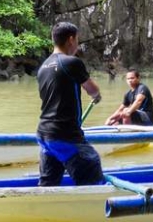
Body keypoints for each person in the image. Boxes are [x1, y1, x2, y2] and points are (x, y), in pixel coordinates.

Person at [36, 22, 103, 187]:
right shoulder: (71, 62)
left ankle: (44, 206)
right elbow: (92, 89)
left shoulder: (43, 67)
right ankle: (95, 206)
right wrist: (97, 95)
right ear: (71, 39)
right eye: (77, 41)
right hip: (65, 134)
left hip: (44, 134)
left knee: (48, 183)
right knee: (91, 166)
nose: (77, 45)